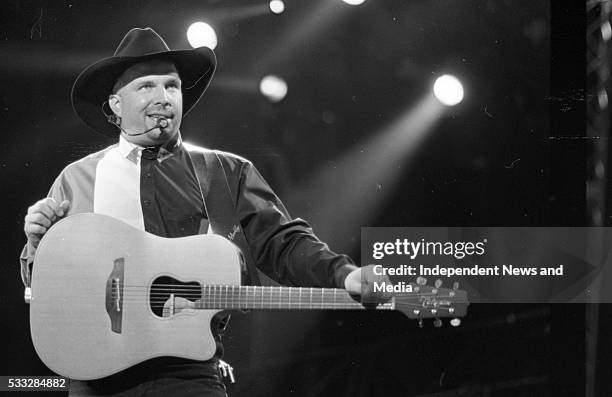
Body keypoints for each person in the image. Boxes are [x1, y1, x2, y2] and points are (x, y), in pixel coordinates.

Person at [21, 27, 389, 396]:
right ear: (116, 105)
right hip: (97, 374)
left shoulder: (223, 172)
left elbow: (282, 241)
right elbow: (43, 282)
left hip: (188, 373)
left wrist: (345, 274)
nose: (164, 97)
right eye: (146, 86)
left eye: (172, 86)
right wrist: (39, 245)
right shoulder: (79, 178)